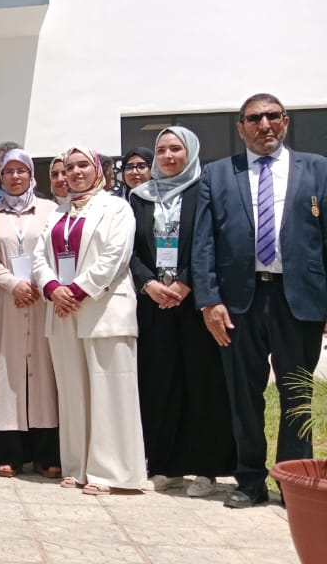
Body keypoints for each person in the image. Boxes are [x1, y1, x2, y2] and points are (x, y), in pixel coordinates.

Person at [193, 93, 327, 509]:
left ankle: (292, 480)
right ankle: (249, 479)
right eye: (254, 118)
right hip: (237, 303)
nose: (264, 125)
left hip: (299, 300)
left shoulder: (318, 169)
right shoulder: (217, 174)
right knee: (244, 396)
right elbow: (204, 243)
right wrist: (209, 300)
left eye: (272, 116)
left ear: (285, 121)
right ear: (241, 127)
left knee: (296, 394)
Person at [129, 127, 235, 497]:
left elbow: (215, 242)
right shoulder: (140, 197)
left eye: (176, 149)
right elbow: (130, 249)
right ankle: (165, 465)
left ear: (190, 152)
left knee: (202, 383)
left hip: (195, 303)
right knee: (160, 383)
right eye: (161, 150)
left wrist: (187, 282)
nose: (168, 156)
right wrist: (148, 283)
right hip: (154, 303)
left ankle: (207, 469)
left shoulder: (205, 189)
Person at [34, 146, 146, 496]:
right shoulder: (58, 212)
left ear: (99, 170)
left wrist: (77, 290)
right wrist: (53, 288)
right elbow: (39, 257)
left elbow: (116, 256)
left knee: (109, 390)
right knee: (73, 392)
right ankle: (77, 466)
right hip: (63, 311)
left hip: (104, 308)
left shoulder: (117, 208)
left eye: (83, 165)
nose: (75, 172)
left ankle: (110, 472)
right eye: (69, 167)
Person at [0, 149, 60, 479]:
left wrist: (42, 282)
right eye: (8, 171)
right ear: (0, 177)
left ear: (31, 175)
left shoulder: (50, 210)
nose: (15, 177)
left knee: (43, 374)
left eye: (21, 171)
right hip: (5, 299)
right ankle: (8, 453)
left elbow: (59, 249)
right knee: (7, 371)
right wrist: (12, 283)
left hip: (42, 299)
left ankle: (46, 453)